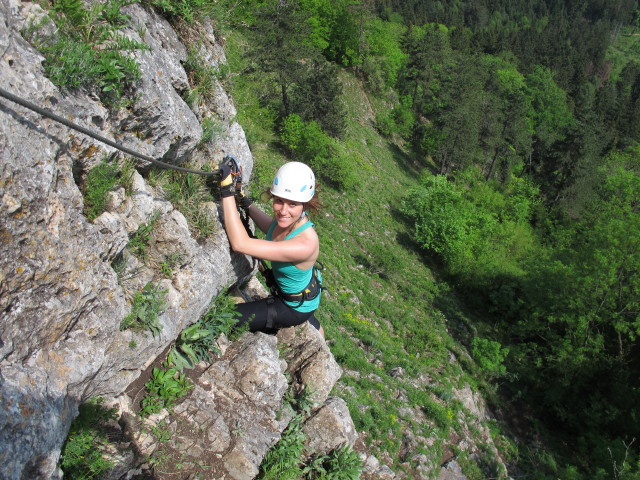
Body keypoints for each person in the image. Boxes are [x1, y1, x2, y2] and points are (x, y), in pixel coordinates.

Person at [218, 158, 324, 337]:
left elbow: (240, 244)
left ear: (304, 205)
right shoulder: (291, 222)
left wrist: (226, 192)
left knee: (225, 319)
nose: (283, 211)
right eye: (279, 201)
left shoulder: (305, 244)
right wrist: (245, 203)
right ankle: (315, 327)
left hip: (290, 307)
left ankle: (302, 321)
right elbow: (271, 227)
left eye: (292, 204)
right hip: (302, 292)